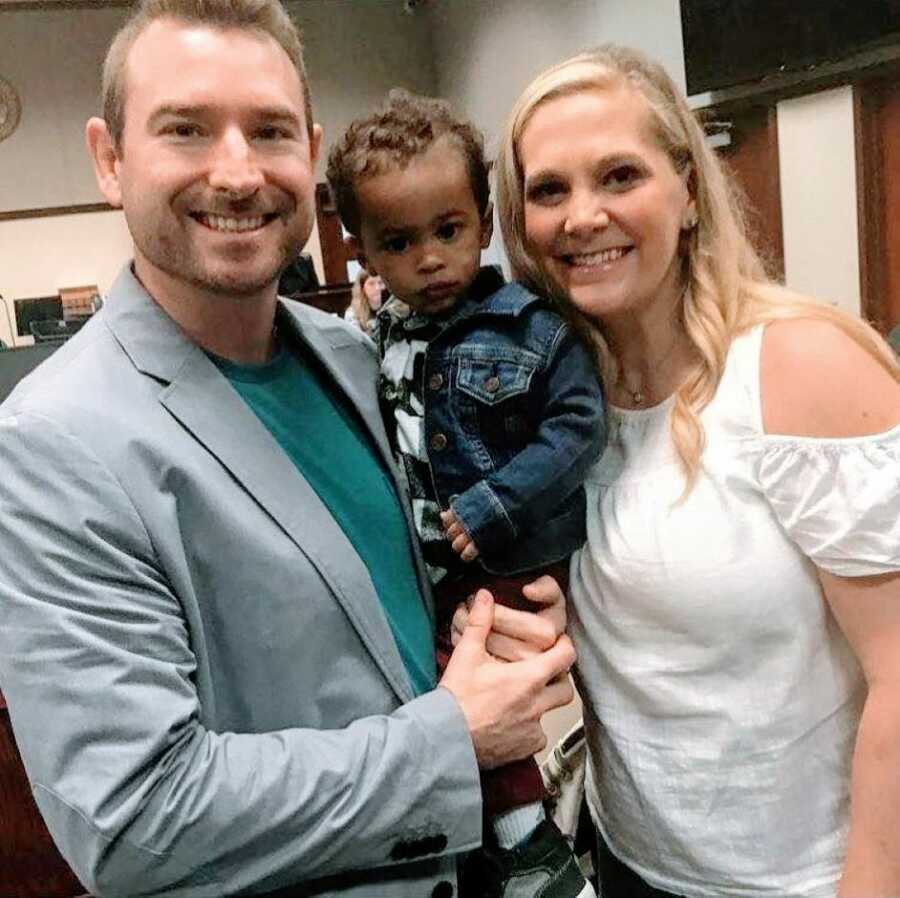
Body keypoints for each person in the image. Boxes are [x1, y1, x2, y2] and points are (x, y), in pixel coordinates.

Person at [0, 2, 580, 896]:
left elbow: (373, 615)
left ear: (308, 157)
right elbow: (134, 823)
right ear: (110, 161)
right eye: (186, 129)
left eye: (268, 131)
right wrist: (451, 740)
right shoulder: (53, 444)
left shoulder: (352, 358)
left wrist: (478, 624)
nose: (236, 173)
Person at [491, 44, 900, 898]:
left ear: (685, 190)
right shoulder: (557, 405)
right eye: (549, 190)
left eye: (619, 176)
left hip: (806, 880)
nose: (583, 216)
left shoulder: (802, 370)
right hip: (631, 863)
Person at [327, 91, 606, 898]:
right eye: (399, 242)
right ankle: (498, 828)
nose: (430, 259)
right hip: (429, 560)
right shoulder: (372, 340)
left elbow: (578, 426)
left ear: (482, 221)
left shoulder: (529, 327)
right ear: (364, 250)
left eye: (449, 231)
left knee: (467, 692)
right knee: (422, 685)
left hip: (508, 549)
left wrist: (497, 504)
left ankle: (532, 848)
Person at [343, 268, 388, 335]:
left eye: (380, 283)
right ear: (362, 288)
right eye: (371, 284)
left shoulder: (392, 305)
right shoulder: (352, 313)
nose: (377, 288)